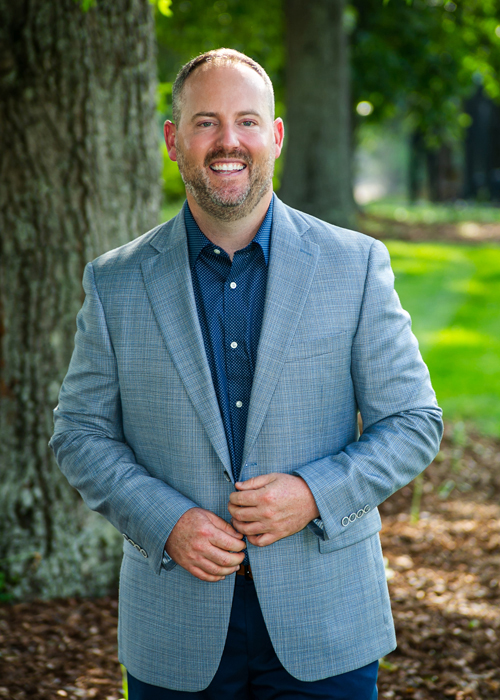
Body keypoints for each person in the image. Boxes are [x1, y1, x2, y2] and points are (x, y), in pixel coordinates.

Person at [50, 48, 443, 699]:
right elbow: (80, 433)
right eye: (205, 122)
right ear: (173, 140)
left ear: (276, 136)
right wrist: (167, 521)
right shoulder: (116, 282)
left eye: (247, 122)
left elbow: (413, 422)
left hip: (326, 620)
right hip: (175, 626)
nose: (227, 141)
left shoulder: (354, 266)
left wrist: (313, 494)